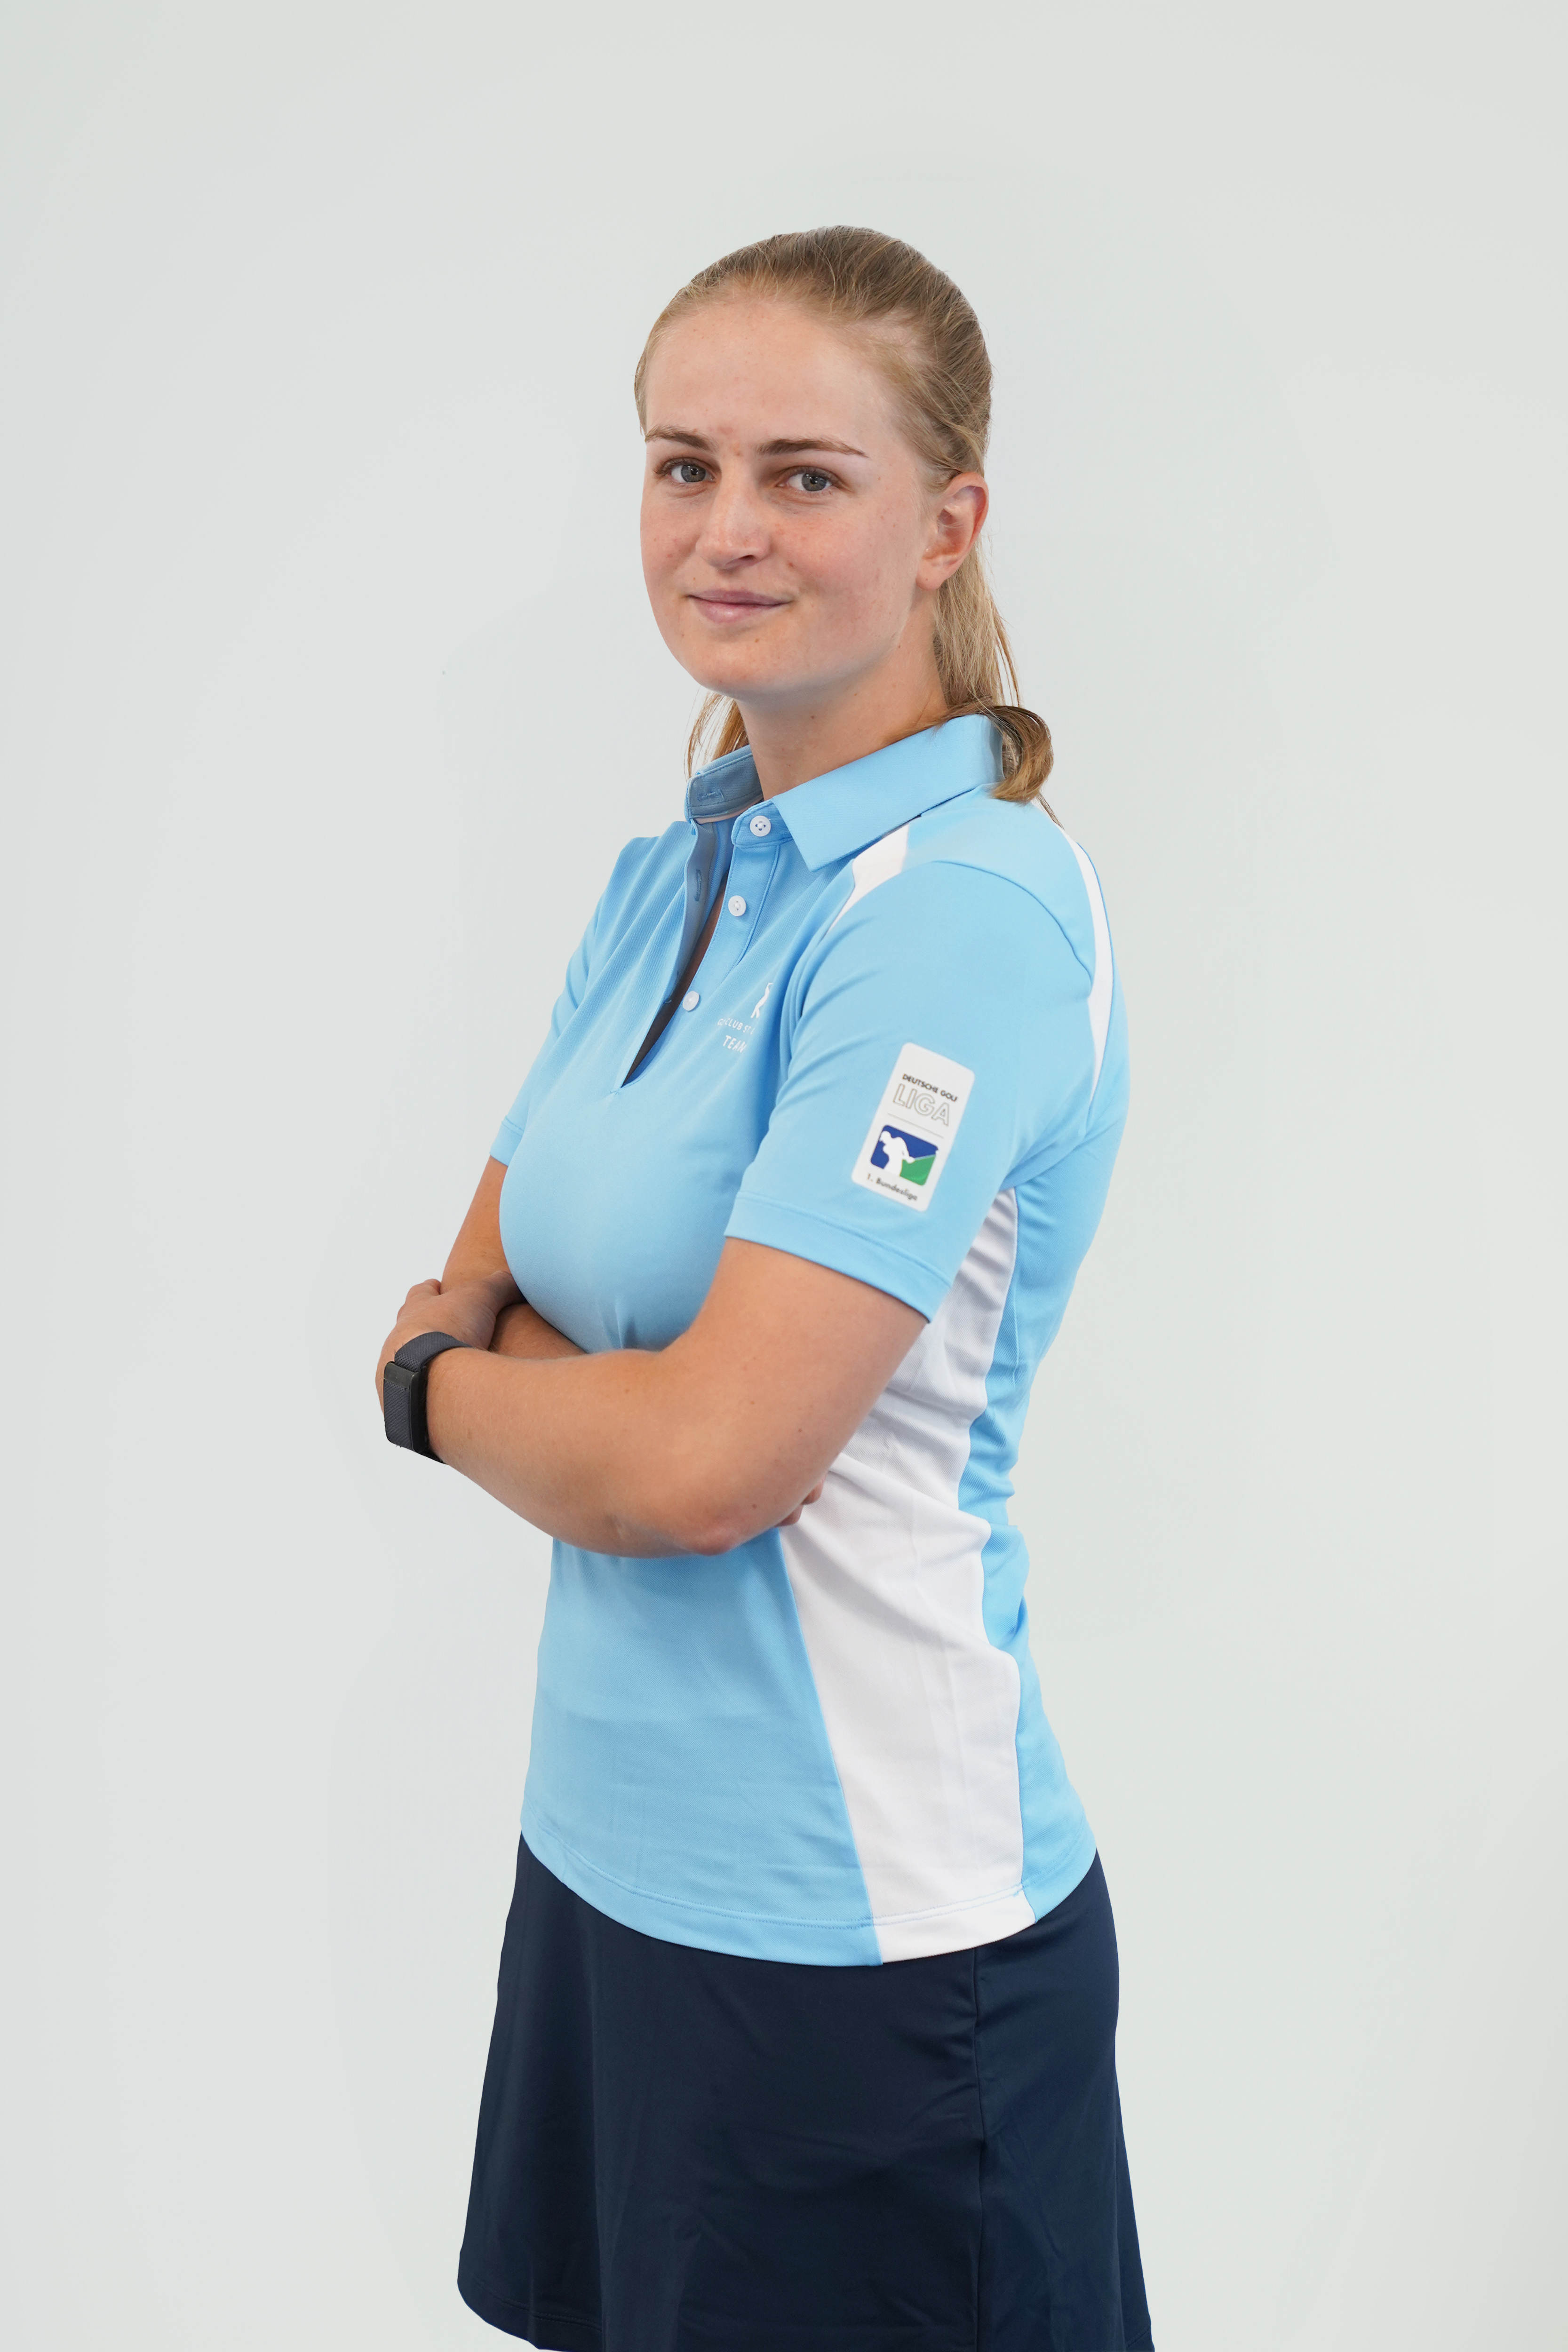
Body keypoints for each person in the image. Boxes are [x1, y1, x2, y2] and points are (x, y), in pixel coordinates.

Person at [375, 226, 1154, 2352]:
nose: (728, 529)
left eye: (806, 474)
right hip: (609, 1865)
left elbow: (709, 1461)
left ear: (946, 525)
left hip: (862, 1940)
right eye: (683, 464)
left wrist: (439, 1391)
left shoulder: (958, 919)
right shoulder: (683, 869)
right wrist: (560, 1381)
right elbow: (486, 1263)